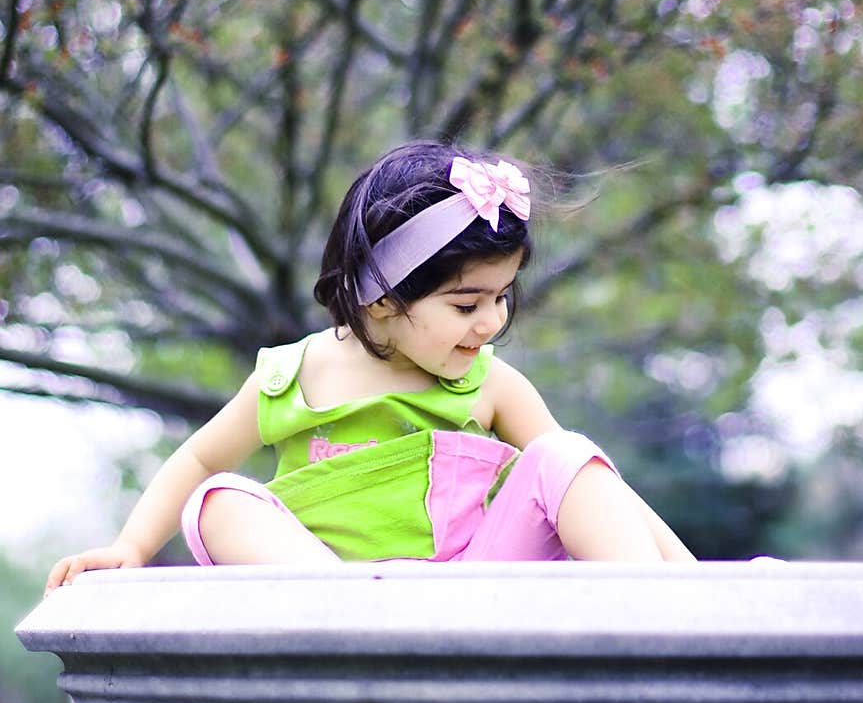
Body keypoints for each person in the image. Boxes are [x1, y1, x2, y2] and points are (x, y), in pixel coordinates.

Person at [45, 140, 694, 593]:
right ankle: (355, 615)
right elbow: (196, 460)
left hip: (475, 589)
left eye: (501, 297)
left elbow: (598, 484)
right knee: (214, 500)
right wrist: (131, 547)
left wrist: (695, 575)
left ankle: (652, 602)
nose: (492, 321)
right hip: (339, 595)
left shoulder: (488, 382)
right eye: (467, 302)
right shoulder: (293, 375)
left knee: (564, 454)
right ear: (381, 297)